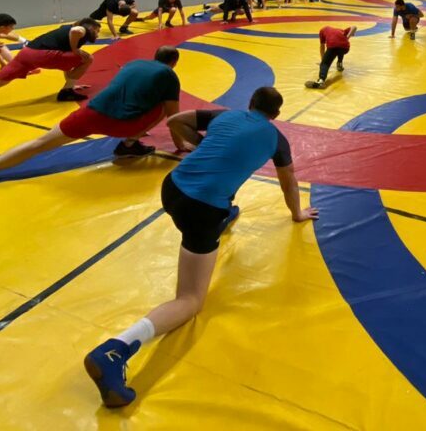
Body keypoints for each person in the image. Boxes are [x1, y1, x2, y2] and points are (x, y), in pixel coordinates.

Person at [83, 87, 318, 408]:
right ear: (276, 115)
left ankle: (223, 215)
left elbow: (175, 121)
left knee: (219, 195)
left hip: (173, 188)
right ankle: (116, 350)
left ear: (250, 103)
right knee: (190, 300)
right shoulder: (277, 139)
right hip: (202, 210)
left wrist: (199, 144)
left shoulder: (225, 116)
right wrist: (297, 213)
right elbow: (288, 180)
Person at [0, 46, 183, 190]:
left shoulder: (133, 64)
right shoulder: (169, 75)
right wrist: (181, 145)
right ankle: (129, 144)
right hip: (126, 125)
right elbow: (174, 117)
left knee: (39, 143)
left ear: (154, 55)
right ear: (174, 63)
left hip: (91, 113)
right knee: (164, 105)